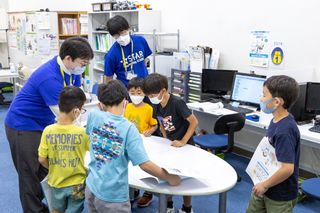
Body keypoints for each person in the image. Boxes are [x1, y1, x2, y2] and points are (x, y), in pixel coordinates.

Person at [4, 37, 93, 213]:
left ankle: (48, 206)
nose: (83, 67)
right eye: (82, 63)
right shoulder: (49, 77)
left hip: (43, 123)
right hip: (23, 125)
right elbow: (65, 116)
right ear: (68, 58)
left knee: (47, 169)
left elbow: (77, 102)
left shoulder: (72, 71)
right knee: (30, 175)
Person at [85, 80, 181, 213]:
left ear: (100, 103)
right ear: (125, 102)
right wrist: (170, 177)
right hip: (113, 196)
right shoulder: (128, 128)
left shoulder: (93, 115)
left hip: (91, 186)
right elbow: (144, 164)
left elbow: (91, 136)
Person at [143, 73, 199, 213]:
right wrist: (163, 134)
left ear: (163, 91)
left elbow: (194, 122)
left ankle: (187, 208)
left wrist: (183, 141)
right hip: (169, 144)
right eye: (149, 96)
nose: (151, 98)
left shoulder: (177, 103)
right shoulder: (155, 103)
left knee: (185, 177)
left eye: (152, 95)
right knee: (167, 174)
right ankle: (168, 205)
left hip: (184, 144)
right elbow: (160, 120)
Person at [246, 75, 300, 213]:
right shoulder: (276, 119)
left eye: (264, 95)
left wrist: (265, 185)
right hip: (266, 183)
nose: (261, 99)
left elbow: (287, 169)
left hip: (280, 194)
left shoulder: (285, 131)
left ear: (276, 102)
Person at [38, 86, 89, 213]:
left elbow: (42, 159)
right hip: (77, 184)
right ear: (76, 111)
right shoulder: (83, 132)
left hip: (56, 182)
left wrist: (54, 168)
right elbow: (93, 153)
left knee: (56, 210)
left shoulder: (47, 130)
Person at [103, 15, 152, 87]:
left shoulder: (141, 40)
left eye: (123, 32)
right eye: (117, 36)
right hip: (126, 90)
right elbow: (108, 79)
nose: (121, 38)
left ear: (128, 28)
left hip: (145, 86)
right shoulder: (111, 55)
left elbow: (145, 59)